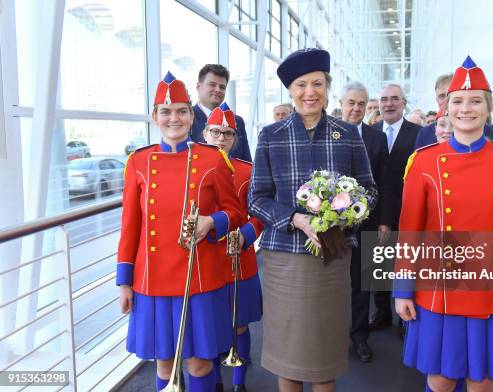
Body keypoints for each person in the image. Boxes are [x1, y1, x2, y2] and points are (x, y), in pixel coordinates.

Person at [394, 56, 493, 392]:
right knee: (441, 379)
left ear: (488, 108)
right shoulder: (424, 162)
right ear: (445, 108)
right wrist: (402, 289)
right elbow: (410, 230)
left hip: (492, 284)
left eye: (476, 101)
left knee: (482, 380)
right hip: (440, 284)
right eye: (457, 101)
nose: (466, 109)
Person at [248, 48, 377, 392]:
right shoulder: (271, 136)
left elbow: (370, 190)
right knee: (287, 353)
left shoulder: (347, 134)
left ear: (327, 86)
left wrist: (347, 214)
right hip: (284, 258)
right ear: (290, 90)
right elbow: (256, 198)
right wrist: (297, 219)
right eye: (301, 85)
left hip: (331, 258)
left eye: (317, 83)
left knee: (324, 354)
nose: (310, 92)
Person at [117, 72, 243, 392]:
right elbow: (130, 227)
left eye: (182, 111)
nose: (174, 118)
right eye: (166, 111)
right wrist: (124, 282)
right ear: (154, 116)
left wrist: (212, 222)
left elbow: (236, 212)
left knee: (199, 362)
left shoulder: (213, 159)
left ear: (191, 115)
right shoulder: (139, 162)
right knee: (164, 361)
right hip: (152, 281)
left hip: (199, 276)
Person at [202, 103, 263, 392]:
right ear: (205, 133)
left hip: (240, 257)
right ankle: (214, 381)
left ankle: (239, 382)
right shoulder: (193, 169)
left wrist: (246, 235)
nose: (221, 138)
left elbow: (259, 212)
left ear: (235, 138)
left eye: (227, 133)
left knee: (239, 324)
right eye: (215, 132)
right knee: (208, 326)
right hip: (205, 262)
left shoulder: (248, 171)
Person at [339, 81, 389, 363]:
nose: (356, 108)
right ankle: (332, 337)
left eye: (361, 103)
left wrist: (384, 221)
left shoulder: (376, 138)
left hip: (367, 222)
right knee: (333, 282)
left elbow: (384, 180)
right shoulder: (326, 132)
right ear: (342, 103)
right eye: (351, 103)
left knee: (361, 283)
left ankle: (359, 338)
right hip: (330, 225)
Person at [370, 83, 422, 332]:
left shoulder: (419, 133)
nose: (388, 104)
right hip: (376, 211)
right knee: (379, 264)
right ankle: (382, 313)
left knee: (405, 262)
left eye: (394, 99)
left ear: (403, 103)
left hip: (408, 210)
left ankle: (405, 319)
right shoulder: (371, 132)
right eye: (384, 99)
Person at [414, 73, 493, 149]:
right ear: (436, 100)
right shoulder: (425, 134)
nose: (447, 100)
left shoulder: (488, 130)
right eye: (442, 96)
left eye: (450, 95)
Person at [191, 64, 252, 161]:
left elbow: (246, 161)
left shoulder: (238, 121)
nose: (218, 90)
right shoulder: (187, 118)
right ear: (198, 86)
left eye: (222, 87)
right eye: (212, 85)